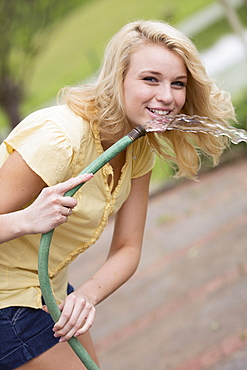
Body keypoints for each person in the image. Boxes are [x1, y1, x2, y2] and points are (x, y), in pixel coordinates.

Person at [0, 19, 236, 370]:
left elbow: (128, 248)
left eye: (178, 84)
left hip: (50, 289)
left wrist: (87, 296)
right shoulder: (60, 138)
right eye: (150, 79)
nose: (167, 97)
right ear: (118, 78)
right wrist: (26, 220)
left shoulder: (137, 145)